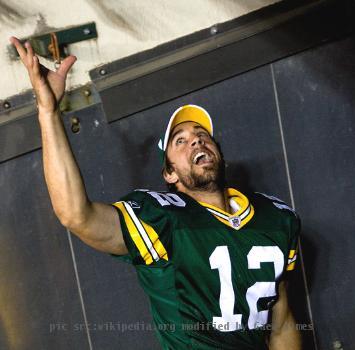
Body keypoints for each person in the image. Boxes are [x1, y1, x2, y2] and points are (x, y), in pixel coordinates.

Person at [10, 37, 302, 350]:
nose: (196, 141)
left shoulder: (276, 218)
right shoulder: (162, 219)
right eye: (181, 140)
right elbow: (75, 214)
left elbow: (281, 323)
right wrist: (48, 112)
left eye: (202, 135)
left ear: (219, 153)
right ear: (169, 173)